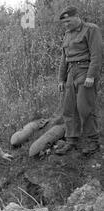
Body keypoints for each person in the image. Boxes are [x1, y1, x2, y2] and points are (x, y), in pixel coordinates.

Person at [55, 6, 103, 156]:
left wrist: (91, 76)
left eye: (68, 21)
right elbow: (64, 59)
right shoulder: (67, 34)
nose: (66, 25)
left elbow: (97, 55)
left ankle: (93, 141)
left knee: (85, 107)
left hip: (85, 70)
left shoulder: (91, 29)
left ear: (77, 17)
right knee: (68, 109)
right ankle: (71, 141)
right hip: (71, 73)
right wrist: (61, 79)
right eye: (64, 23)